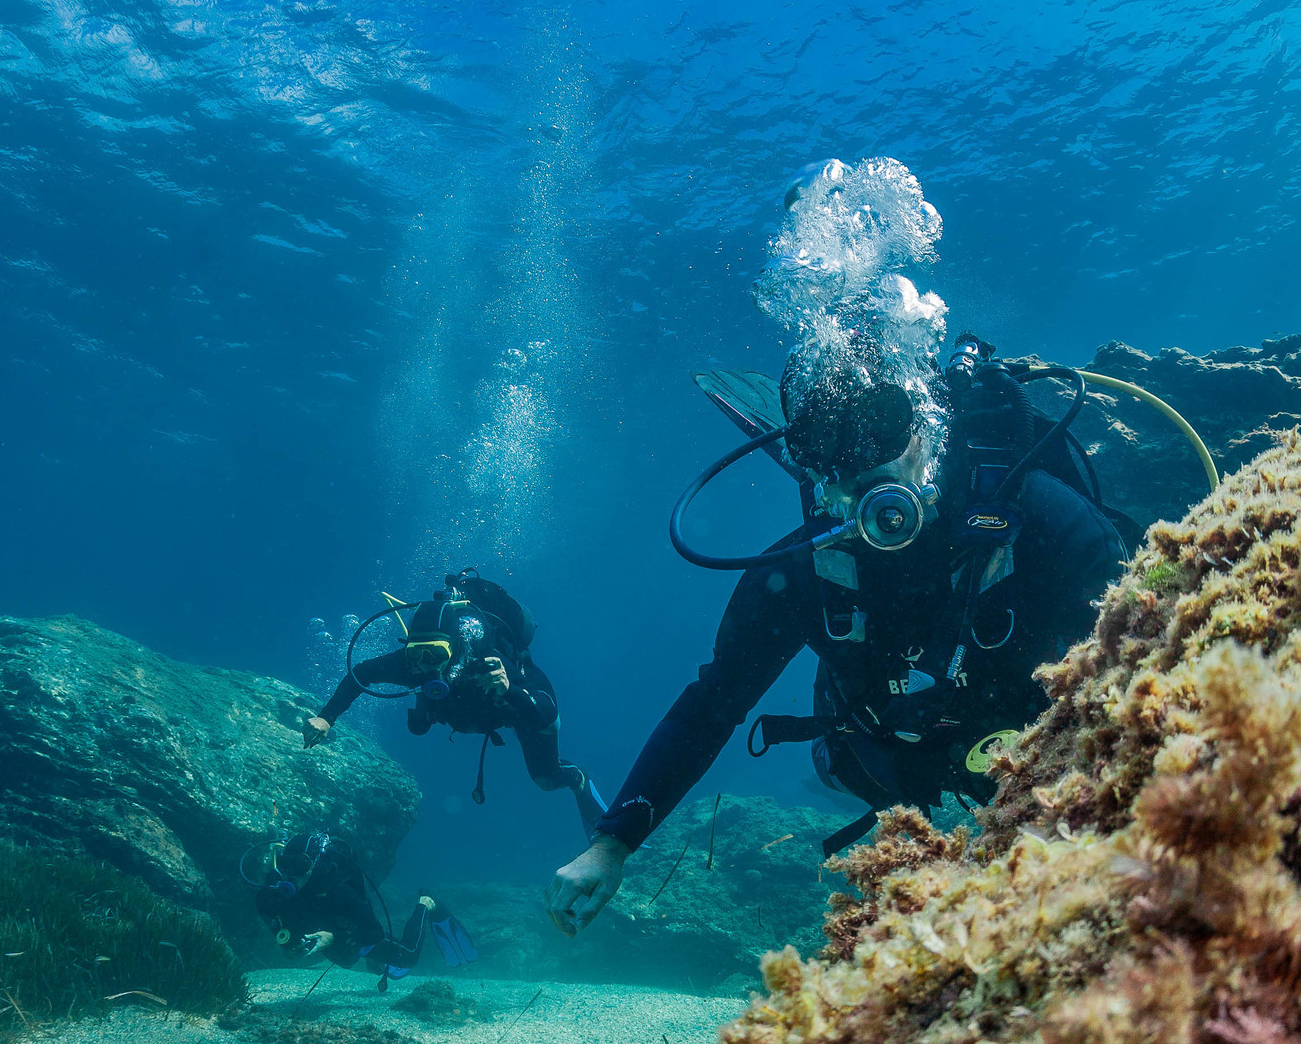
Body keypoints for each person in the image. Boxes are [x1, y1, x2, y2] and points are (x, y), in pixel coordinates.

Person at [544, 331, 1129, 935]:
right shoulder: (801, 573)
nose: (860, 459)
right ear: (805, 462)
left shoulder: (1040, 515)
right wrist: (611, 845)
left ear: (929, 420)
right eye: (826, 440)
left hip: (1033, 741)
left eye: (882, 421)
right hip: (889, 758)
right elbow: (713, 705)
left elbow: (1130, 650)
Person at [304, 570, 607, 838]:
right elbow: (361, 673)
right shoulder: (410, 663)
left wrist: (509, 690)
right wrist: (326, 718)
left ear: (454, 648)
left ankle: (578, 778)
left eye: (435, 654)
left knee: (546, 779)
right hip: (475, 712)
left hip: (518, 709)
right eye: (416, 655)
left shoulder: (485, 661)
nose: (424, 666)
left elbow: (546, 714)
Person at [252, 830, 477, 986]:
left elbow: (374, 933)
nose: (293, 875)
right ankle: (375, 963)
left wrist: (333, 937)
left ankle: (426, 902)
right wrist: (283, 939)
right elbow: (269, 912)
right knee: (350, 960)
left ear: (314, 864)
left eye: (300, 866)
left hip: (356, 935)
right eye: (286, 865)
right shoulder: (275, 887)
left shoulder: (340, 890)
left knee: (407, 957)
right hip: (331, 940)